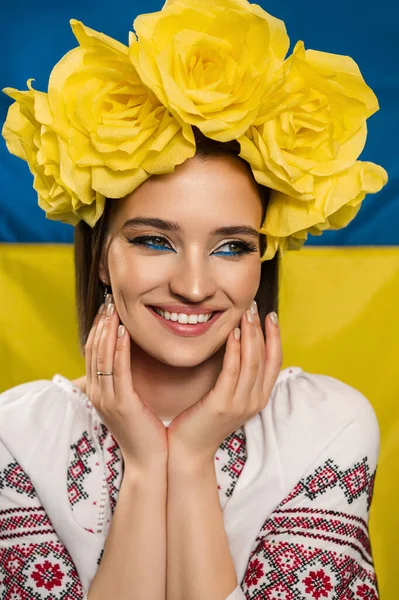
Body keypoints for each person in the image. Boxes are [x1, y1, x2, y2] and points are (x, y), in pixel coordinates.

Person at [0, 1, 388, 599]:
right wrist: (147, 465)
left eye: (231, 247)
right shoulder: (16, 435)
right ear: (103, 255)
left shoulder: (328, 426)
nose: (196, 286)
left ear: (263, 261)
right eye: (155, 240)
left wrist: (190, 454)